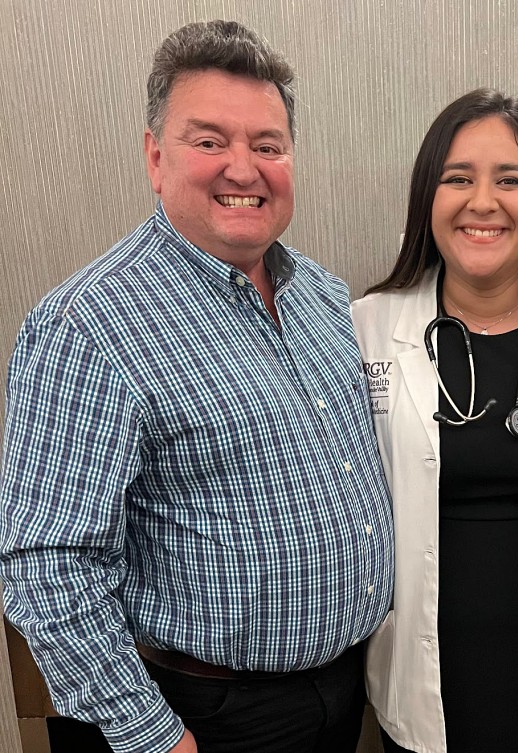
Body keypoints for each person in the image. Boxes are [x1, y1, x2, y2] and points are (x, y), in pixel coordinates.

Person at [0, 20, 394, 753]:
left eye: (267, 146)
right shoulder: (88, 325)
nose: (243, 168)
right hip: (199, 717)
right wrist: (155, 737)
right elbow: (47, 566)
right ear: (155, 156)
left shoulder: (323, 298)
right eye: (209, 141)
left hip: (342, 694)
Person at [351, 88, 518, 753]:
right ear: (427, 198)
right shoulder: (365, 331)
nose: (483, 201)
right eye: (458, 178)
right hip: (422, 672)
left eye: (510, 180)